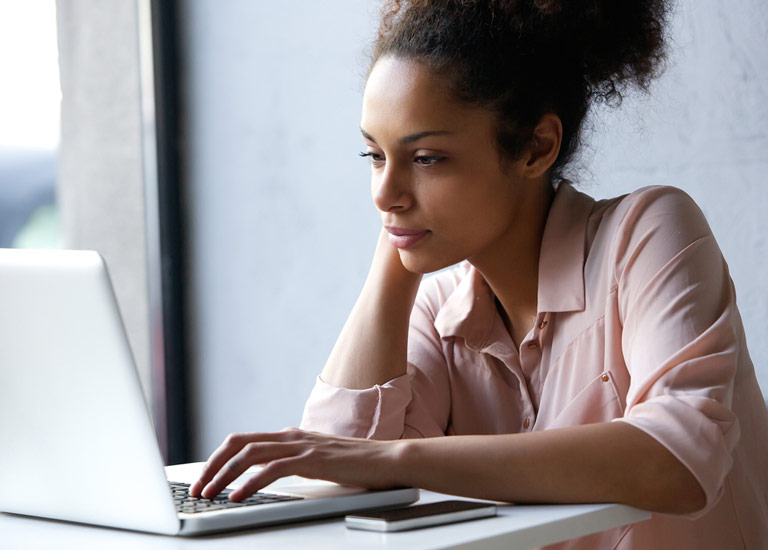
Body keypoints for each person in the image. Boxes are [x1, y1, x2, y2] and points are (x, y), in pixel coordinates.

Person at [190, 1, 768, 547]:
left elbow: (680, 462)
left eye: (426, 159)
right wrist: (397, 255)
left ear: (536, 148)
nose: (383, 193)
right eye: (374, 156)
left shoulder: (647, 232)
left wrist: (399, 462)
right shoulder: (437, 307)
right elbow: (334, 479)